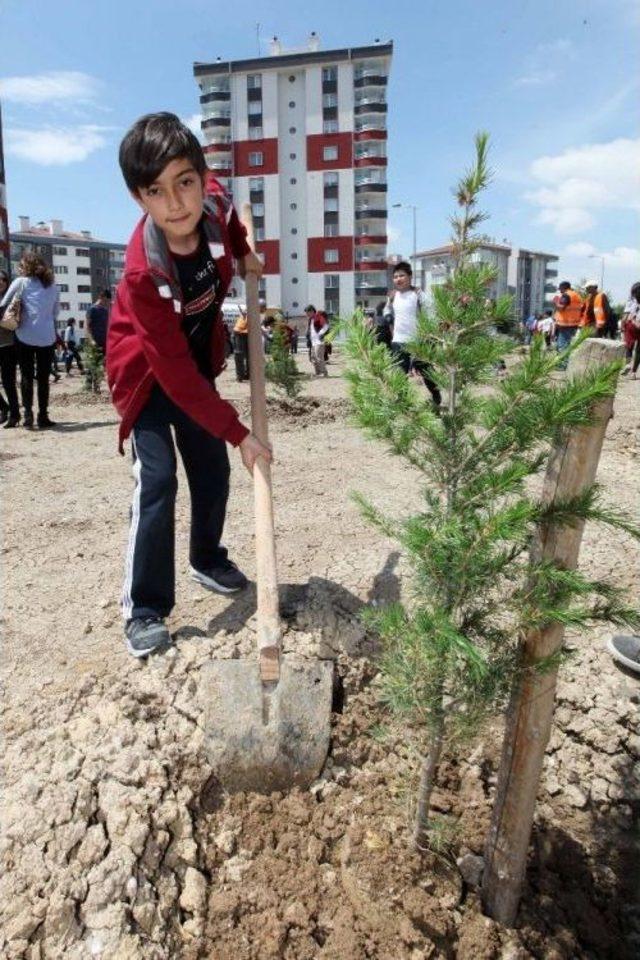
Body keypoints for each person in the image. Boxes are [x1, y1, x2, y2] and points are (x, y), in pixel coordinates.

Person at [106, 111, 270, 658]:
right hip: (148, 375)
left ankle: (206, 557)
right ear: (139, 199)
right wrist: (238, 429)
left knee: (211, 468)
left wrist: (243, 248)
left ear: (202, 178)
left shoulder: (216, 204)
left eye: (185, 182)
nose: (175, 202)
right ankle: (145, 608)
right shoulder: (142, 273)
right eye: (157, 190)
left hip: (193, 366)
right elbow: (171, 371)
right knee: (157, 480)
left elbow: (230, 222)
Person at [0, 252, 58, 429]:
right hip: (47, 337)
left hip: (25, 335)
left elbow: (4, 304)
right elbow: (56, 313)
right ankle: (43, 415)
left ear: (27, 267)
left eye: (21, 265)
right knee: (43, 378)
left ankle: (28, 416)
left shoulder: (21, 282)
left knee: (26, 376)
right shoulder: (53, 286)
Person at [383, 261, 442, 408]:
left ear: (410, 276)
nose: (398, 279)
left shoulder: (418, 294)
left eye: (402, 275)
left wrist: (430, 335)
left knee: (426, 372)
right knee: (398, 373)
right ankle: (402, 402)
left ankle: (436, 395)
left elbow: (431, 312)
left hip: (418, 341)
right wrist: (388, 316)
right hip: (398, 341)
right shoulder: (392, 296)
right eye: (395, 276)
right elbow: (386, 310)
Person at [0, 269, 21, 427]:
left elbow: (19, 320)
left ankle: (14, 415)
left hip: (9, 345)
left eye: (3, 279)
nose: (0, 282)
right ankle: (4, 407)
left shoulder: (12, 299)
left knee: (8, 382)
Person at [553, 280, 583, 368]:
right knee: (565, 344)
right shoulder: (576, 295)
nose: (560, 291)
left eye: (560, 289)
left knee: (563, 345)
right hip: (573, 323)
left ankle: (563, 365)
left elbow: (561, 308)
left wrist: (555, 302)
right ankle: (563, 363)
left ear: (564, 288)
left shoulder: (566, 295)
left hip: (565, 324)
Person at [621, 282, 640, 380]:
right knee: (638, 350)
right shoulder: (632, 299)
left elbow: (626, 314)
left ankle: (628, 364)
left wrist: (622, 326)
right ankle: (633, 372)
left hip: (631, 324)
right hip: (633, 324)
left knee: (629, 346)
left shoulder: (632, 299)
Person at [86, 289, 112, 355]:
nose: (107, 303)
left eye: (108, 301)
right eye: (106, 301)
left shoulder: (105, 311)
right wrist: (91, 340)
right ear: (101, 297)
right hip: (96, 343)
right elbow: (87, 326)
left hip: (105, 342)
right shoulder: (92, 309)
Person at [307, 306, 329, 376]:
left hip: (319, 341)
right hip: (313, 342)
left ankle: (324, 372)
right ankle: (318, 372)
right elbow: (311, 330)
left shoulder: (318, 317)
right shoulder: (310, 319)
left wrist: (320, 334)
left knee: (319, 357)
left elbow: (326, 326)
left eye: (307, 312)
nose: (306, 314)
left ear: (312, 311)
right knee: (313, 358)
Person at [232, 308, 249, 381]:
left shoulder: (250, 317)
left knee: (249, 356)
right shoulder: (242, 318)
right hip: (239, 334)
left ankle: (247, 374)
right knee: (239, 355)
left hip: (245, 335)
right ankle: (240, 375)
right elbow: (237, 329)